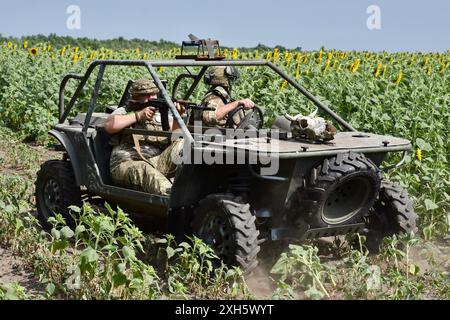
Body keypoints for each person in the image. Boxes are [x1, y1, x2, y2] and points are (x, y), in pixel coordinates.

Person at [104, 79, 184, 196]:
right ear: (135, 96)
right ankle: (174, 198)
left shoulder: (160, 114)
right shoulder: (125, 111)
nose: (151, 98)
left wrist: (178, 116)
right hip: (127, 164)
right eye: (146, 95)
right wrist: (139, 115)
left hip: (156, 161)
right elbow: (110, 126)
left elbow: (174, 138)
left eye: (153, 94)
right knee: (146, 171)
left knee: (184, 143)